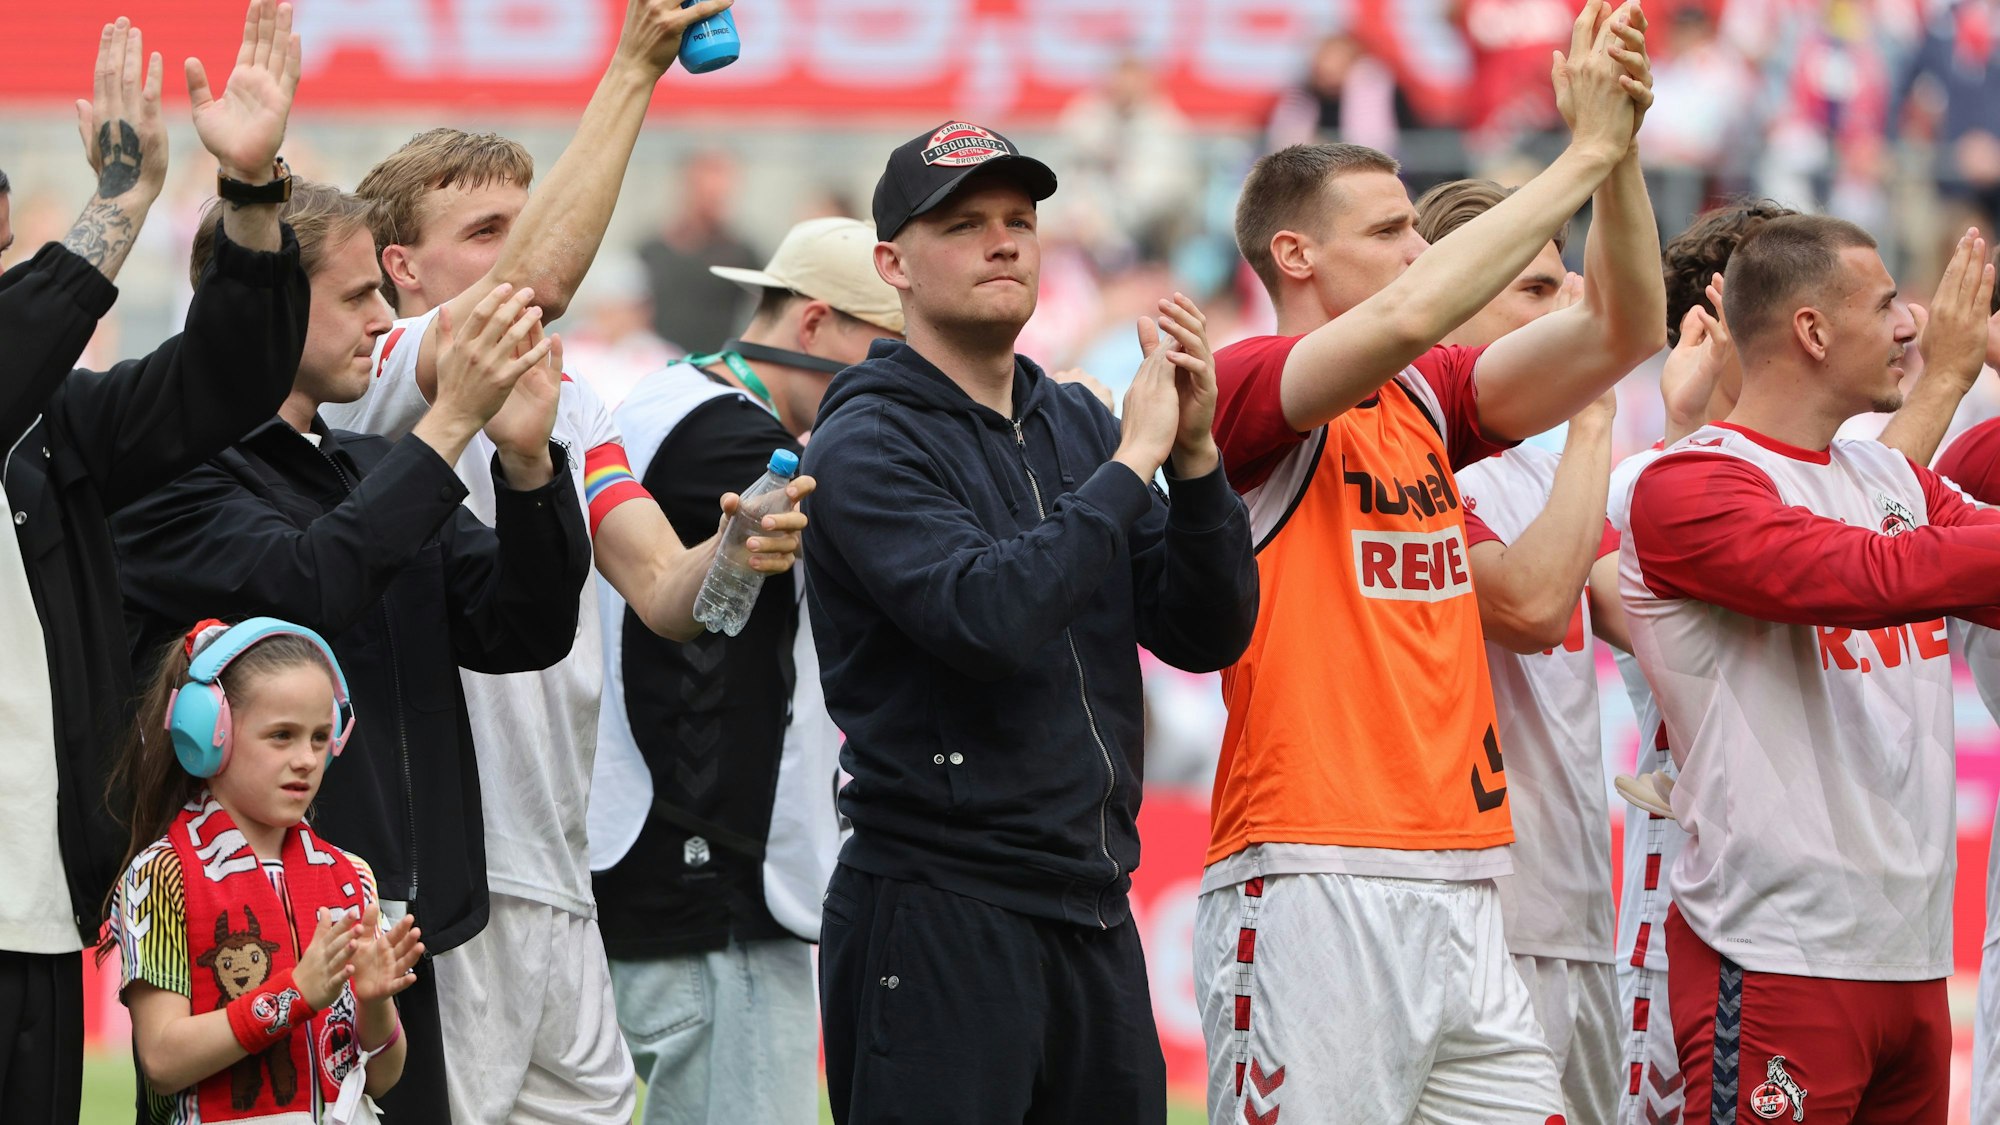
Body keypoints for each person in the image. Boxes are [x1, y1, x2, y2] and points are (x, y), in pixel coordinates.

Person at [322, 6, 814, 1116]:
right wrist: (636, 64)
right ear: (402, 266)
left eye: (524, 221)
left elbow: (668, 593)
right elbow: (530, 293)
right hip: (433, 875)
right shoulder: (379, 378)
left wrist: (735, 549)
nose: (520, 251)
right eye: (486, 230)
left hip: (561, 866)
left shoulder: (576, 400)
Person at [1197, 3, 1663, 1121]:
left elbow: (1623, 333)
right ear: (1295, 255)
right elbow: (1412, 314)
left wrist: (1620, 157)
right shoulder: (1246, 380)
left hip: (1465, 872)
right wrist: (1578, 155)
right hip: (1310, 862)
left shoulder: (1421, 398)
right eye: (1391, 229)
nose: (1419, 250)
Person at [803, 120, 1259, 1123]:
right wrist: (1131, 463)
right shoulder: (865, 437)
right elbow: (988, 617)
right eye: (963, 224)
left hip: (1092, 903)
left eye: (1019, 219)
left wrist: (1193, 462)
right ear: (893, 266)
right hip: (937, 904)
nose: (1003, 242)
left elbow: (1206, 632)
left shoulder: (1076, 421)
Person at [111, 180, 593, 1120]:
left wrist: (528, 463)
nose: (385, 317)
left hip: (393, 936)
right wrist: (449, 422)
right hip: (237, 938)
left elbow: (523, 627)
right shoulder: (165, 472)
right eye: (358, 293)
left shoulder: (370, 467)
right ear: (267, 307)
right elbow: (312, 585)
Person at [1622, 215, 2000, 1124]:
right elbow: (1868, 575)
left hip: (1911, 956)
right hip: (1776, 951)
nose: (1909, 324)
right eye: (1884, 305)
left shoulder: (1892, 479)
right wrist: (1952, 380)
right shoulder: (1687, 483)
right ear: (1813, 331)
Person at [0, 7, 305, 1120]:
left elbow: (223, 384)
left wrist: (252, 197)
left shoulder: (52, 429)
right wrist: (121, 200)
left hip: (32, 915)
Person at [590, 215, 900, 1125]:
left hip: (659, 847)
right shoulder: (732, 439)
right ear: (815, 322)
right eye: (891, 353)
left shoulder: (669, 397)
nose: (904, 387)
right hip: (712, 868)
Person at [1414, 177, 1628, 1125]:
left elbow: (1651, 621)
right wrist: (1594, 409)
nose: (1566, 312)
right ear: (1455, 301)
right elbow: (1533, 605)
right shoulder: (1416, 464)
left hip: (1578, 902)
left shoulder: (1549, 470)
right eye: (1535, 292)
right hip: (1477, 909)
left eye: (1565, 286)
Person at [103, 618, 424, 1122]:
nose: (307, 759)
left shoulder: (352, 875)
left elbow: (383, 1078)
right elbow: (162, 1060)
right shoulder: (163, 873)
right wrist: (295, 994)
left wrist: (374, 1002)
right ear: (211, 735)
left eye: (320, 738)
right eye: (282, 736)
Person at [638, 148, 759, 353]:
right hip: (659, 361)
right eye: (705, 192)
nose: (713, 200)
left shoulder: (740, 254)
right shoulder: (651, 251)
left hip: (715, 363)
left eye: (719, 194)